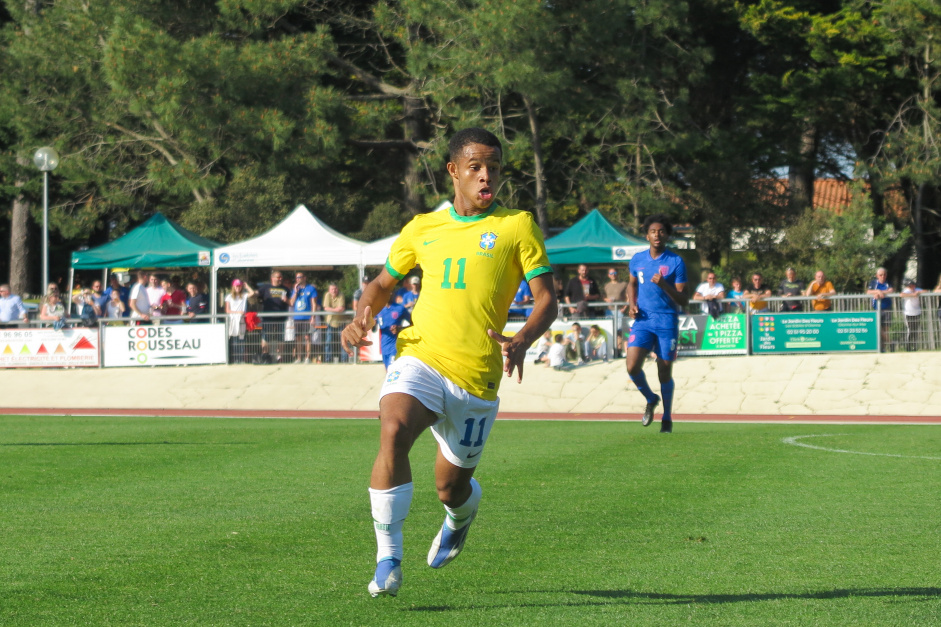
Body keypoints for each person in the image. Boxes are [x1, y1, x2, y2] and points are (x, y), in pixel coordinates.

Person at [340, 127, 556, 598]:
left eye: (494, 168)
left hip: (476, 379)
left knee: (449, 489)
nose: (487, 177)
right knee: (393, 429)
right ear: (453, 171)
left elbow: (546, 300)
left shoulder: (516, 225)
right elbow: (381, 284)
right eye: (476, 167)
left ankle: (460, 515)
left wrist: (521, 339)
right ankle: (387, 559)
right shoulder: (422, 227)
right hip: (421, 356)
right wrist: (363, 313)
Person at [626, 214, 688, 433]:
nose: (657, 234)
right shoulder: (637, 260)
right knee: (632, 366)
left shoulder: (675, 261)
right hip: (643, 320)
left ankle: (667, 418)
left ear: (667, 235)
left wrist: (664, 285)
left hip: (666, 321)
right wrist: (632, 303)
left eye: (661, 231)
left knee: (664, 372)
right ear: (647, 235)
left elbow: (683, 299)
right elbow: (631, 284)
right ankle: (651, 399)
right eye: (653, 231)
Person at [257, 271, 291, 362]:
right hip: (268, 317)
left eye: (281, 277)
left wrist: (286, 300)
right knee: (266, 337)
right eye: (278, 277)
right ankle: (265, 356)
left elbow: (291, 303)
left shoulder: (285, 289)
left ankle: (279, 357)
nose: (280, 279)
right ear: (272, 278)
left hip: (281, 317)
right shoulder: (265, 287)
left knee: (280, 337)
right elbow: (256, 294)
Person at [290, 272, 318, 363]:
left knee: (307, 337)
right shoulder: (295, 289)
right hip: (297, 317)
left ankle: (308, 357)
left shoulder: (311, 288)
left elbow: (314, 303)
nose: (298, 279)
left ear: (304, 278)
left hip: (307, 317)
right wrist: (295, 291)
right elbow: (291, 303)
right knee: (298, 338)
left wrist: (313, 317)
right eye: (296, 278)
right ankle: (298, 358)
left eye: (300, 277)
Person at [225, 279, 255, 364]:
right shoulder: (229, 296)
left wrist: (247, 286)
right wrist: (237, 312)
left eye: (239, 286)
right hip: (233, 320)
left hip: (241, 320)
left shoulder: (244, 295)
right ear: (233, 287)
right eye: (236, 286)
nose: (238, 287)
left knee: (241, 340)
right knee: (234, 340)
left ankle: (241, 359)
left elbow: (252, 293)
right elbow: (227, 310)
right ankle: (235, 359)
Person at [375, 299, 411, 370]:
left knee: (392, 369)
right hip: (384, 346)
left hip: (395, 346)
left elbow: (413, 324)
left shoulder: (400, 308)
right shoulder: (378, 309)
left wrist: (400, 329)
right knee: (388, 372)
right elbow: (373, 328)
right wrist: (371, 324)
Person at [867, 267, 894, 350]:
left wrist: (881, 293)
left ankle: (883, 348)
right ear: (877, 275)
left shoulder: (888, 283)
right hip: (877, 309)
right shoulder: (873, 283)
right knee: (878, 327)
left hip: (887, 308)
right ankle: (891, 342)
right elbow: (868, 292)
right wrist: (878, 291)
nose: (883, 276)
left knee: (885, 330)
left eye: (884, 275)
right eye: (881, 275)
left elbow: (891, 291)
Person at [321, 282, 347, 363]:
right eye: (332, 289)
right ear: (329, 290)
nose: (334, 290)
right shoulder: (327, 295)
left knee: (343, 342)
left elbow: (341, 308)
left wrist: (331, 310)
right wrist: (336, 310)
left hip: (340, 322)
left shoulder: (341, 295)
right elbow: (325, 308)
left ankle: (344, 360)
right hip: (330, 322)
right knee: (328, 342)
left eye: (335, 289)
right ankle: (328, 360)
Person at [900, 278, 924, 352]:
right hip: (909, 313)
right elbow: (901, 295)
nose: (912, 286)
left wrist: (918, 292)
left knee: (915, 330)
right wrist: (913, 294)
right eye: (911, 285)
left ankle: (914, 346)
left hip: (917, 312)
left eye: (913, 285)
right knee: (910, 330)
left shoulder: (917, 289)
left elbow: (925, 291)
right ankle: (908, 346)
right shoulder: (907, 291)